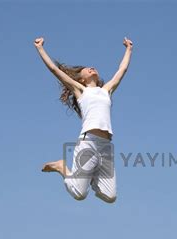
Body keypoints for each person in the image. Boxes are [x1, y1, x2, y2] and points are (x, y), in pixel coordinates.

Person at [33, 36, 133, 203]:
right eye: (87, 69)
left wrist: (129, 49)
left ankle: (91, 173)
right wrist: (40, 48)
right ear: (81, 79)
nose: (91, 68)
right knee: (79, 194)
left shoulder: (106, 90)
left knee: (110, 196)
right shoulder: (80, 91)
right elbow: (54, 70)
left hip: (106, 146)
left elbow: (121, 71)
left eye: (93, 67)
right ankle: (61, 166)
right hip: (89, 142)